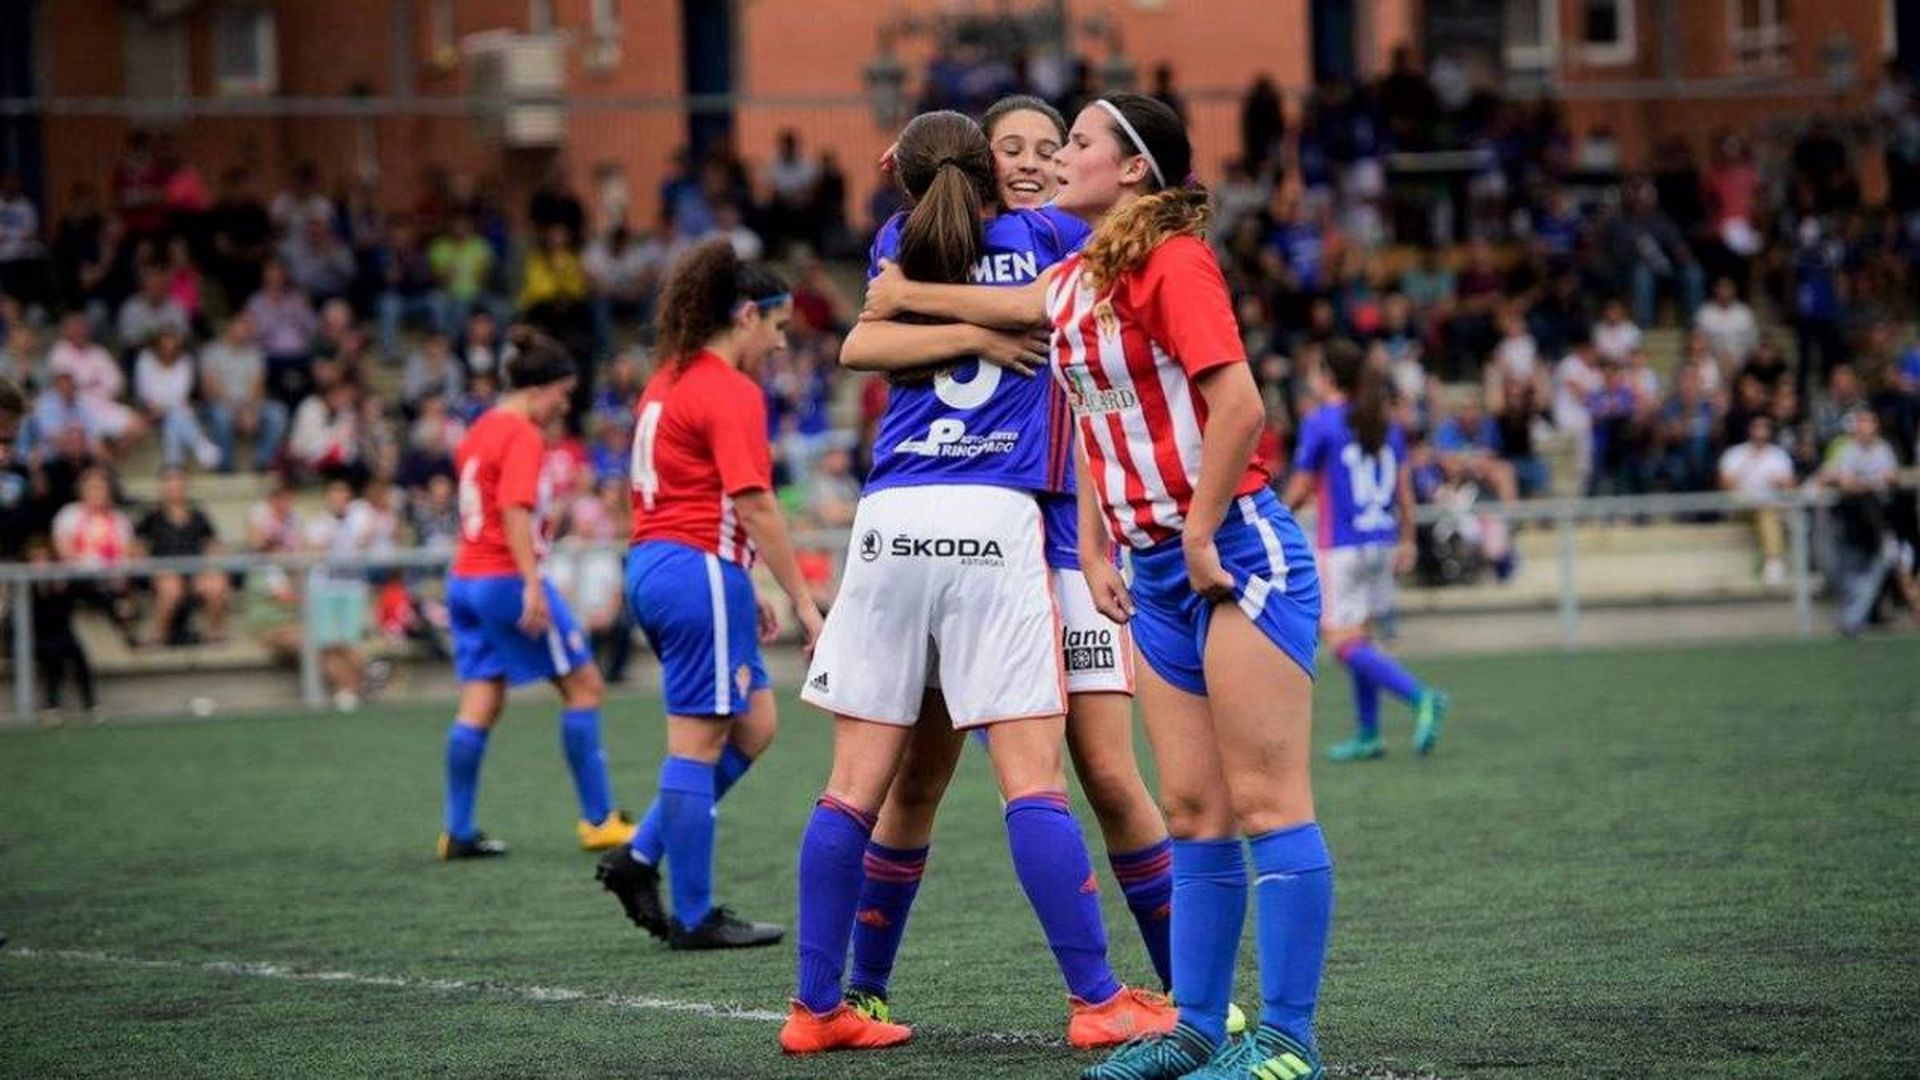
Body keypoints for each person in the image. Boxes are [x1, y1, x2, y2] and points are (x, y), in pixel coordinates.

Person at [780, 106, 1173, 1057]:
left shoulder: (902, 238)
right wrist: (987, 340)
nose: (1041, 165)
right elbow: (1065, 282)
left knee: (851, 788)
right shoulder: (1051, 233)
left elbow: (863, 336)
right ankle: (1098, 998)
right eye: (1019, 151)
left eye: (1057, 149)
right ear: (985, 167)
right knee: (1034, 779)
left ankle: (818, 1006)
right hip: (998, 519)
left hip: (890, 518)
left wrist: (916, 220)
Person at [1043, 94, 1329, 1080]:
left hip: (1235, 554)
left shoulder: (1173, 261)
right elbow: (1094, 416)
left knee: (1265, 800)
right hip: (1151, 573)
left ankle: (1290, 1040)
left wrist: (1200, 528)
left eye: (1077, 141)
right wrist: (1091, 545)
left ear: (1132, 170)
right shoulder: (1077, 284)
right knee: (1196, 809)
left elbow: (1241, 407)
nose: (1057, 152)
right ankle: (1198, 1029)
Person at [593, 240, 823, 950]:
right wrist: (805, 601)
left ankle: (639, 855)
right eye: (777, 328)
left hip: (666, 565)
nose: (781, 344)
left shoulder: (669, 378)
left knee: (754, 726)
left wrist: (737, 581)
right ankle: (692, 915)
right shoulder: (729, 389)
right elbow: (756, 505)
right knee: (695, 747)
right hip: (694, 569)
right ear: (747, 315)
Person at [438, 328, 631, 860]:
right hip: (505, 577)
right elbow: (515, 510)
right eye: (562, 395)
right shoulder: (521, 434)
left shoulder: (479, 430)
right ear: (539, 388)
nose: (564, 406)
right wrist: (531, 582)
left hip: (465, 578)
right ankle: (599, 821)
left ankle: (456, 828)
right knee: (586, 686)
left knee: (481, 698)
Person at [1285, 341, 1447, 763]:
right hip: (1382, 540)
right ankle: (1369, 732)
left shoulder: (1321, 422)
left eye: (1316, 371)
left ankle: (1421, 697)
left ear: (1327, 377)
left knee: (1340, 643)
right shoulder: (1385, 423)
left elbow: (1301, 489)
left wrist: (1274, 517)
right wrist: (1409, 539)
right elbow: (1404, 491)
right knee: (1360, 637)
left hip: (1341, 546)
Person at [134, 468, 231, 645]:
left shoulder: (199, 516)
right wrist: (150, 567)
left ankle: (216, 632)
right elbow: (137, 546)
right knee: (171, 586)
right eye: (170, 483)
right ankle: (158, 634)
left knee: (217, 583)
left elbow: (212, 545)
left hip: (195, 572)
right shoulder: (151, 517)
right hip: (162, 574)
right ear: (162, 488)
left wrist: (211, 564)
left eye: (179, 483)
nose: (175, 488)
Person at [1718, 415, 1796, 586]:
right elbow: (1725, 484)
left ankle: (1773, 562)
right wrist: (1748, 464)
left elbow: (1790, 485)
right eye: (1756, 427)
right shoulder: (1735, 454)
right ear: (1750, 430)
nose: (1760, 431)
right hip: (1741, 508)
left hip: (1770, 508)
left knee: (1767, 513)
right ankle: (1774, 561)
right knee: (1765, 512)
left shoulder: (1779, 455)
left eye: (1764, 427)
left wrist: (1780, 483)